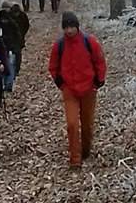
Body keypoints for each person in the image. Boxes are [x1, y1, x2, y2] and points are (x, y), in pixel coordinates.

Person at [48, 11, 107, 168]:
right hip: (69, 90)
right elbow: (53, 66)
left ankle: (86, 150)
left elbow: (100, 61)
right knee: (72, 124)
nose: (69, 31)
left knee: (87, 124)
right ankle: (75, 159)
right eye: (66, 27)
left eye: (72, 27)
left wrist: (98, 81)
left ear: (77, 27)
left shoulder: (90, 42)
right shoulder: (59, 45)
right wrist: (60, 83)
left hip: (89, 88)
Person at [0, 4, 22, 91]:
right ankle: (9, 84)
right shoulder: (11, 20)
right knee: (10, 65)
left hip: (1, 47)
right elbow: (17, 33)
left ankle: (4, 84)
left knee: (3, 64)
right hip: (11, 46)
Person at [9, 3, 30, 74]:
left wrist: (22, 33)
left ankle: (17, 69)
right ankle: (12, 67)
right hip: (11, 37)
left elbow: (27, 25)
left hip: (19, 37)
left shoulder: (23, 16)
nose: (16, 15)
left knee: (18, 53)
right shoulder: (10, 16)